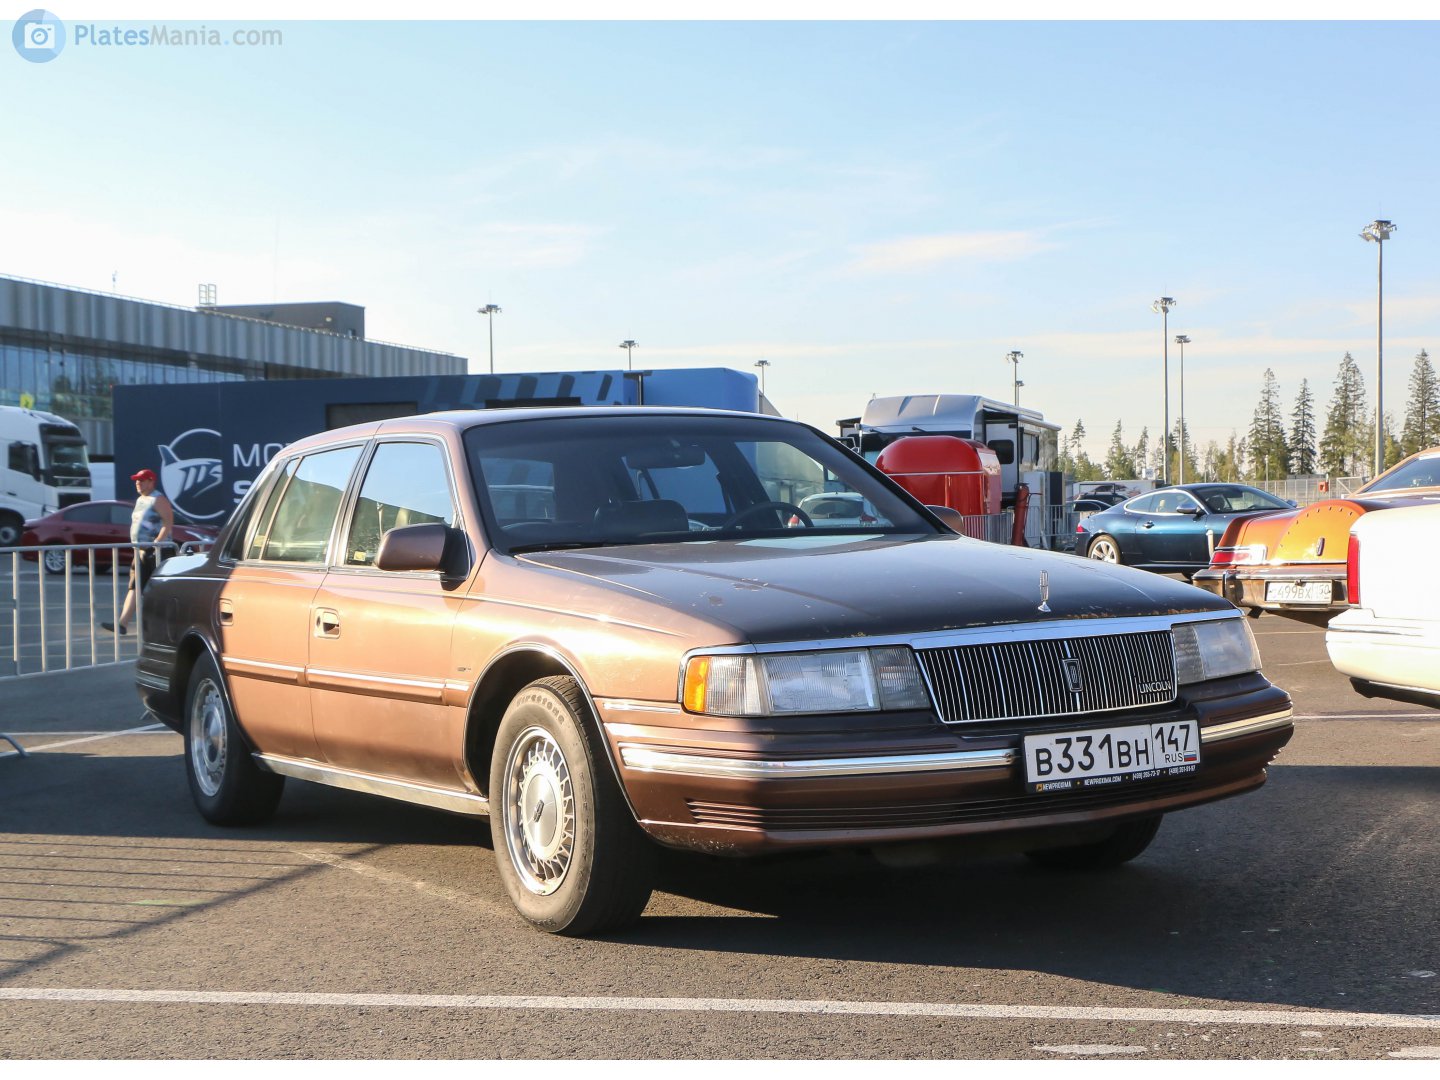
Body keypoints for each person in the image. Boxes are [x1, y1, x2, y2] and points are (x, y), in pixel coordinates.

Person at [102, 468, 174, 636]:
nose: (138, 483)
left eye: (141, 480)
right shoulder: (141, 500)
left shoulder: (158, 499)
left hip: (158, 551)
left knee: (161, 590)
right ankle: (122, 624)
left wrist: (157, 542)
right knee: (134, 586)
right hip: (141, 551)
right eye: (136, 480)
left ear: (151, 481)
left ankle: (167, 626)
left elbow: (168, 522)